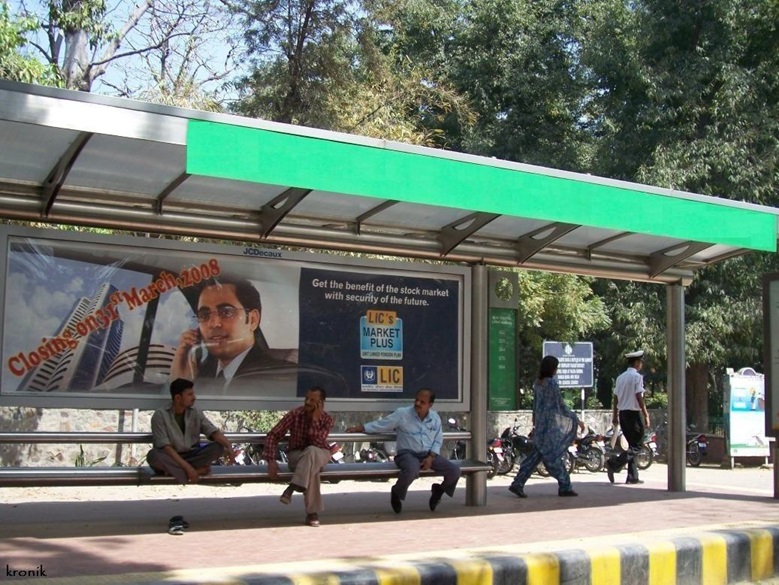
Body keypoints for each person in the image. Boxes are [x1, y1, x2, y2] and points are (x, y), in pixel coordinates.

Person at [169, 276, 296, 394]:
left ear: (253, 320)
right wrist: (182, 382)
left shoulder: (283, 376)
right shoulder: (201, 374)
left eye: (226, 312)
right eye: (204, 315)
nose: (213, 324)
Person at [345, 388, 460, 514]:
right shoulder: (402, 414)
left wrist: (431, 457)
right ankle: (396, 492)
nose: (418, 404)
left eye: (422, 402)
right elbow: (382, 424)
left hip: (428, 454)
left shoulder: (435, 418)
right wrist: (360, 428)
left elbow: (438, 439)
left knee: (454, 471)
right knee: (412, 469)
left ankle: (439, 490)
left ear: (430, 405)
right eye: (416, 400)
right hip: (407, 454)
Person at [508, 355, 584, 498]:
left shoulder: (538, 383)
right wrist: (575, 419)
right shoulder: (552, 384)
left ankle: (518, 483)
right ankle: (565, 486)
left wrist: (535, 421)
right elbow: (560, 405)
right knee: (552, 456)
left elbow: (535, 406)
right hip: (549, 427)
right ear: (552, 368)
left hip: (541, 425)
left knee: (535, 457)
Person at [263, 386, 334, 527]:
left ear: (321, 403)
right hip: (297, 455)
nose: (307, 402)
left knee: (312, 451)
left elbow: (317, 441)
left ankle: (292, 487)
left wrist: (315, 420)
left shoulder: (327, 419)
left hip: (321, 453)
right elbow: (273, 434)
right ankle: (311, 513)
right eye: (306, 398)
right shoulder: (295, 414)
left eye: (312, 400)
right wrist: (271, 460)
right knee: (310, 467)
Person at [147, 377, 235, 484]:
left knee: (218, 447)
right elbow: (166, 448)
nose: (194, 397)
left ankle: (174, 472)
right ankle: (195, 472)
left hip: (192, 456)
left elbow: (212, 431)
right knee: (153, 456)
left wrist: (229, 446)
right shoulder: (160, 415)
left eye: (193, 394)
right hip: (172, 457)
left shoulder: (195, 412)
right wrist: (190, 469)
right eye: (189, 395)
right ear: (178, 398)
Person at [606, 350, 651, 485]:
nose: (641, 365)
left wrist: (615, 416)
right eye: (641, 362)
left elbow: (615, 398)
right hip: (633, 414)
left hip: (623, 414)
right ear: (637, 363)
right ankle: (614, 464)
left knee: (632, 445)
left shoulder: (620, 377)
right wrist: (646, 414)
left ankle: (632, 477)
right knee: (637, 445)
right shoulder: (637, 377)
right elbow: (639, 396)